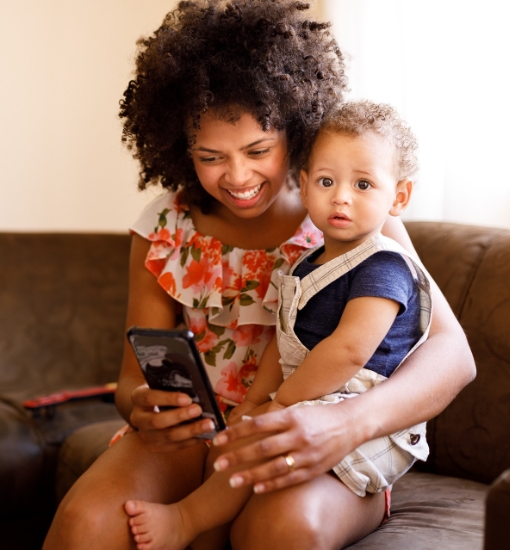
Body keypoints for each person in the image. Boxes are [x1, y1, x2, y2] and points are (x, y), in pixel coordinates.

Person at [42, 2, 475, 549]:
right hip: (198, 436)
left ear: (295, 132)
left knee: (280, 528)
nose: (238, 176)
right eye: (210, 156)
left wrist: (347, 424)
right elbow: (131, 382)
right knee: (87, 523)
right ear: (180, 150)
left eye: (258, 150)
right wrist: (142, 406)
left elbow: (453, 356)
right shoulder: (164, 225)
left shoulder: (351, 216)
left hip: (320, 431)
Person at [123, 100, 432, 550]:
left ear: (398, 197)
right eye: (327, 182)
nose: (342, 196)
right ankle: (191, 526)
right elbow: (284, 343)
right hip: (307, 395)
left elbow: (349, 351)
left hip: (353, 402)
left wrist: (280, 403)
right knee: (242, 443)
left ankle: (187, 520)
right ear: (306, 186)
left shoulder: (383, 264)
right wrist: (252, 404)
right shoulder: (309, 263)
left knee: (256, 450)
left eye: (363, 184)